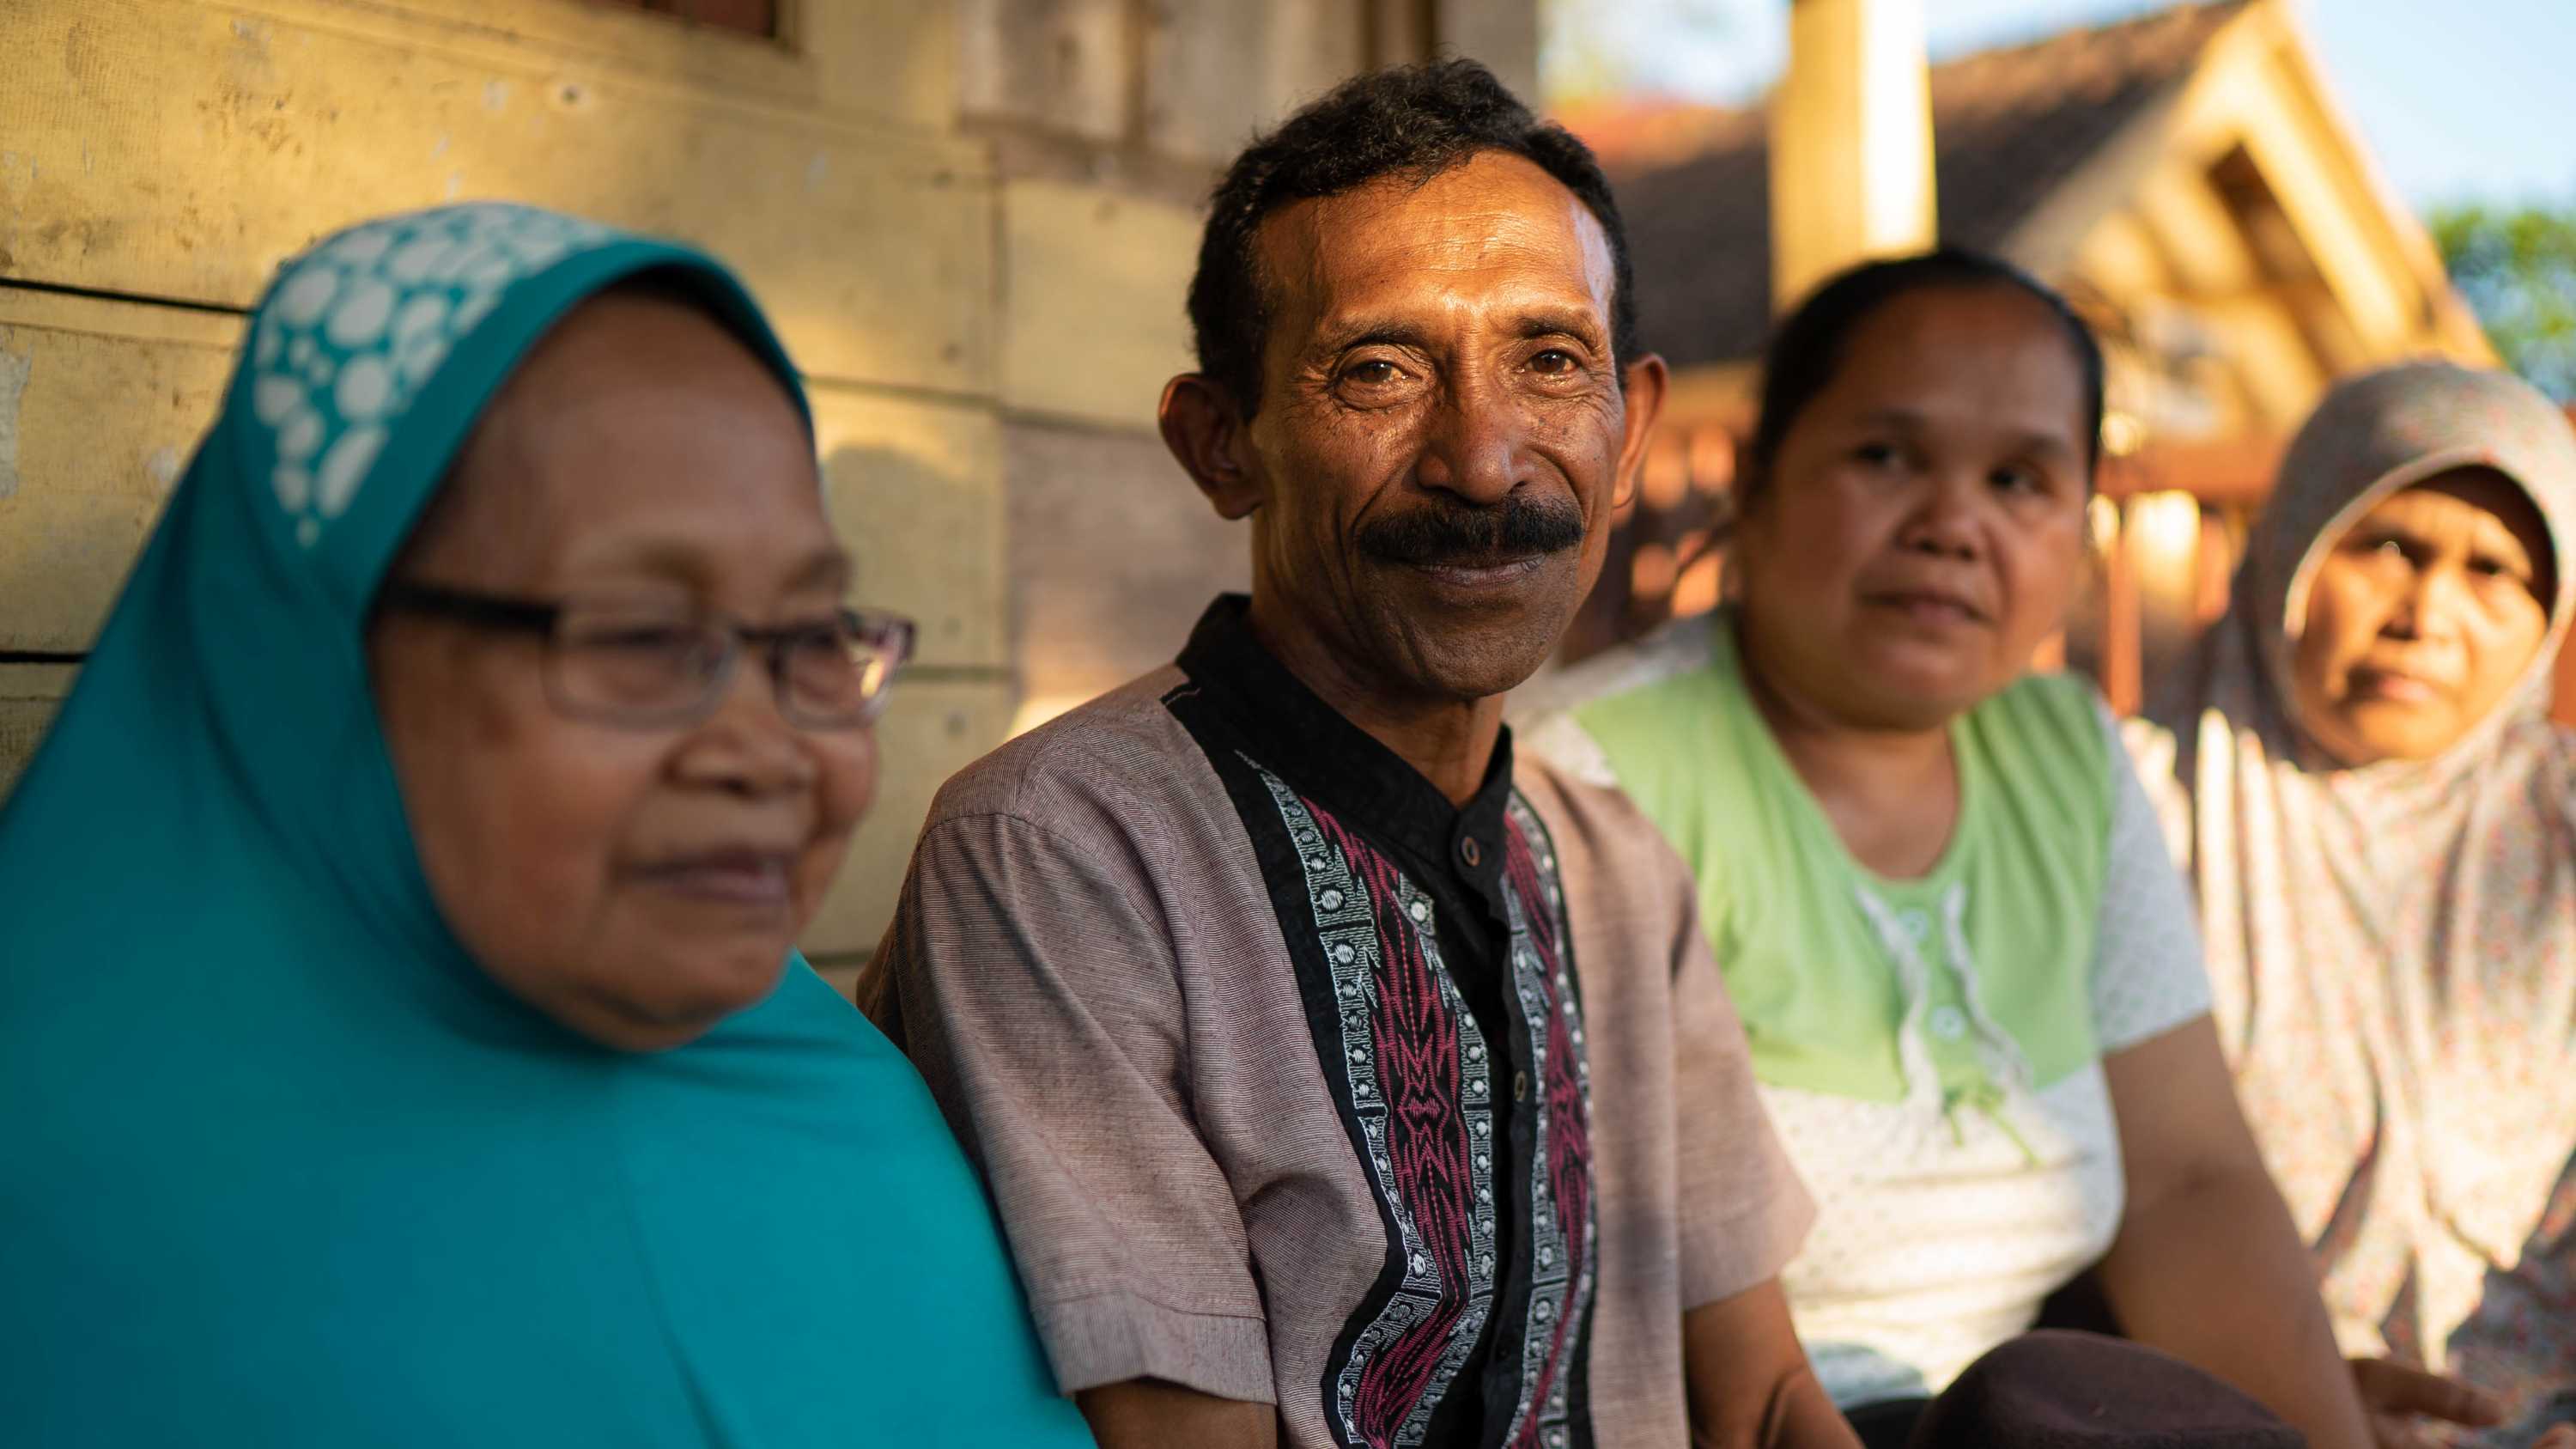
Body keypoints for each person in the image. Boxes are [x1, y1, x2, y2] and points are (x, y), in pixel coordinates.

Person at [860, 61, 1851, 1449]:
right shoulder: (1061, 855)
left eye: (1549, 362)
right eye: (1379, 369)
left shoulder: (1618, 869)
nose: (1487, 459)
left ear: (1630, 440)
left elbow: (1763, 1399)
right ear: (1223, 448)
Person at [0, 203, 1097, 1448]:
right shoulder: (61, 1202)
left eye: (808, 636)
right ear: (322, 660)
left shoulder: (838, 1114)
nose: (771, 750)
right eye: (636, 635)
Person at [1515, 250, 2378, 1448]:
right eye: (1885, 456)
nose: (1953, 526)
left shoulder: (2070, 755)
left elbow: (2194, 1180)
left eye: (2020, 479)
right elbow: (1586, 1298)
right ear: (1757, 483)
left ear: (2080, 527)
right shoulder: (1586, 773)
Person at [2129, 362, 2576, 1449]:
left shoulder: (2564, 836)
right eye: (2389, 548)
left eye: (2494, 572)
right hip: (2223, 1406)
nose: (2427, 615)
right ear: (2291, 546)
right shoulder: (2135, 813)